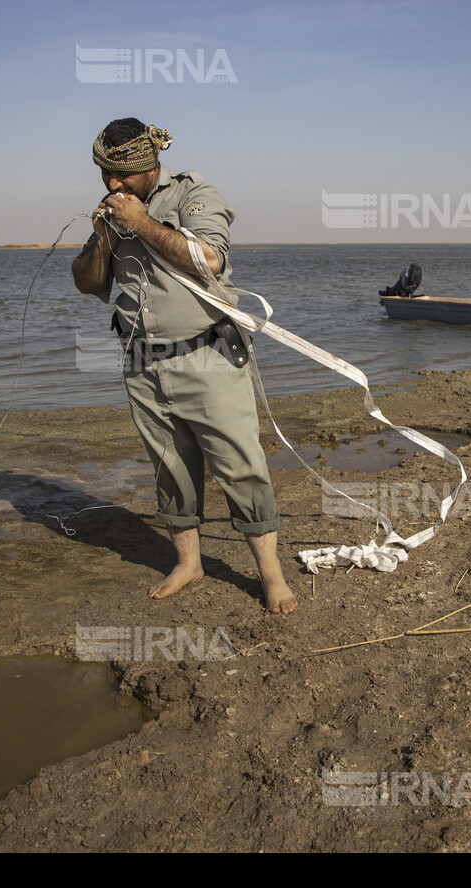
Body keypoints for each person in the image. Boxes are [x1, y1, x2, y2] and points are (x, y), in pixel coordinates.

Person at [71, 117, 297, 614]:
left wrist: (141, 225)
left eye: (122, 175)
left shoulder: (193, 194)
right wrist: (104, 240)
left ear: (150, 165)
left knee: (241, 467)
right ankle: (188, 564)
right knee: (170, 469)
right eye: (104, 174)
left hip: (207, 358)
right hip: (142, 365)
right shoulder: (113, 213)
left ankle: (271, 576)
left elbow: (209, 259)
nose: (112, 185)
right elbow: (87, 283)